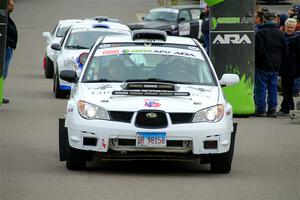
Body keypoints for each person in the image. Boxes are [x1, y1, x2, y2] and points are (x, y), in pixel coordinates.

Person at [254, 12, 288, 117]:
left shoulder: (260, 33)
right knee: (273, 86)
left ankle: (261, 109)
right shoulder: (281, 33)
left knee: (261, 86)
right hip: (276, 64)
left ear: (264, 19)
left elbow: (258, 50)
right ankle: (272, 109)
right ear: (275, 20)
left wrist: (256, 61)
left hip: (262, 63)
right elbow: (286, 50)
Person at [278, 18, 300, 116]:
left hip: (292, 67)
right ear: (285, 27)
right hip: (284, 66)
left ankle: (286, 108)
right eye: (288, 27)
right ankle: (288, 107)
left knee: (287, 89)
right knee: (286, 88)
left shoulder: (297, 38)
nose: (290, 29)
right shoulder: (282, 37)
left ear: (295, 28)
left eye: (292, 27)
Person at [3, 0, 18, 104]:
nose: (13, 7)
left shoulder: (6, 17)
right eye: (11, 5)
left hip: (8, 47)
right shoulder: (3, 18)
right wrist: (8, 44)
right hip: (6, 48)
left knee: (4, 73)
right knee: (2, 72)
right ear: (6, 5)